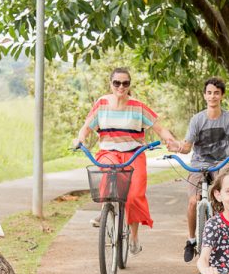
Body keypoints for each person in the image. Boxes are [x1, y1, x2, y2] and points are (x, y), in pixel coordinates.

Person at [74, 67, 178, 254]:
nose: (121, 87)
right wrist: (79, 139)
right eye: (117, 83)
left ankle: (134, 235)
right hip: (109, 151)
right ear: (110, 84)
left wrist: (171, 140)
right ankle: (106, 209)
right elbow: (86, 128)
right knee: (105, 176)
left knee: (134, 195)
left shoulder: (138, 106)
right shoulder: (102, 103)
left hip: (134, 153)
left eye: (125, 83)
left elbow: (159, 129)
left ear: (129, 85)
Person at [170, 77, 229, 263]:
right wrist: (179, 148)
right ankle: (191, 240)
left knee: (224, 199)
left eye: (216, 93)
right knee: (192, 202)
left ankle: (225, 238)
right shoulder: (197, 120)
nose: (212, 96)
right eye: (209, 92)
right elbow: (188, 146)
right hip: (198, 164)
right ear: (204, 95)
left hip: (221, 163)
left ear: (221, 95)